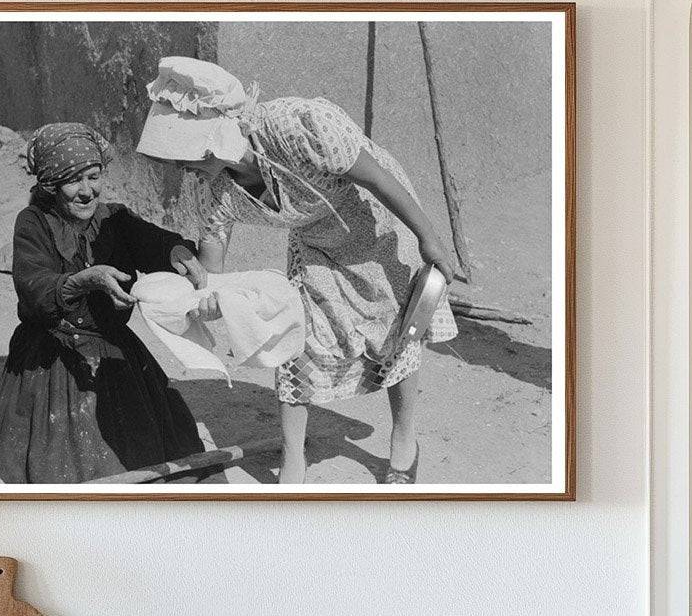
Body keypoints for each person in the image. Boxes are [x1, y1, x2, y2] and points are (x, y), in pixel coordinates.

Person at [136, 57, 458, 484]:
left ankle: (404, 441)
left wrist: (429, 237)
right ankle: (293, 462)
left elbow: (377, 180)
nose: (182, 168)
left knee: (398, 330)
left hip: (377, 218)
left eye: (186, 155)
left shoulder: (298, 125)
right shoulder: (214, 189)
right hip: (315, 240)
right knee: (298, 340)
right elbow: (212, 263)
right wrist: (207, 298)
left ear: (216, 134)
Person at [0, 122, 214, 483]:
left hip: (113, 349)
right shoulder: (33, 223)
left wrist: (173, 249)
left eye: (94, 176)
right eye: (74, 181)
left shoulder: (113, 217)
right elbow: (34, 289)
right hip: (52, 355)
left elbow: (150, 240)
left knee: (147, 447)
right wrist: (84, 280)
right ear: (52, 185)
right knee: (61, 462)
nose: (87, 192)